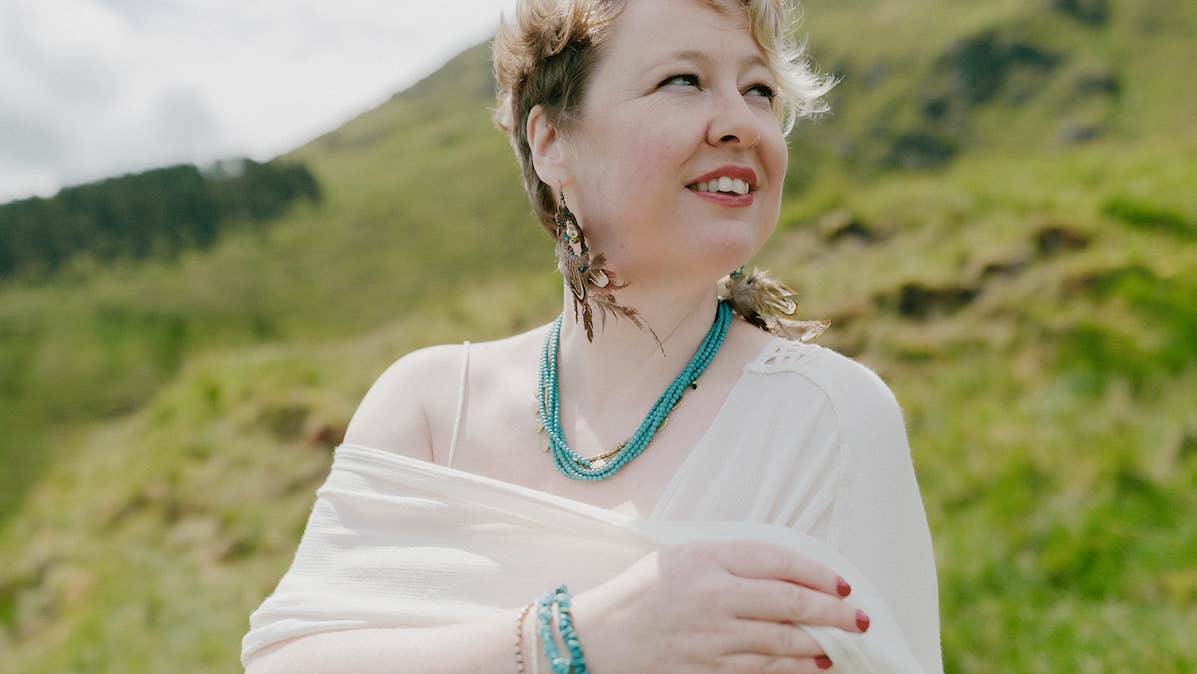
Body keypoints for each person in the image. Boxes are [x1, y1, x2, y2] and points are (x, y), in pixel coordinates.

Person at [242, 0, 943, 672]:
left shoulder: (826, 418)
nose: (741, 123)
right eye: (683, 80)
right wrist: (580, 639)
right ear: (551, 142)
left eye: (759, 91)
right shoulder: (431, 409)